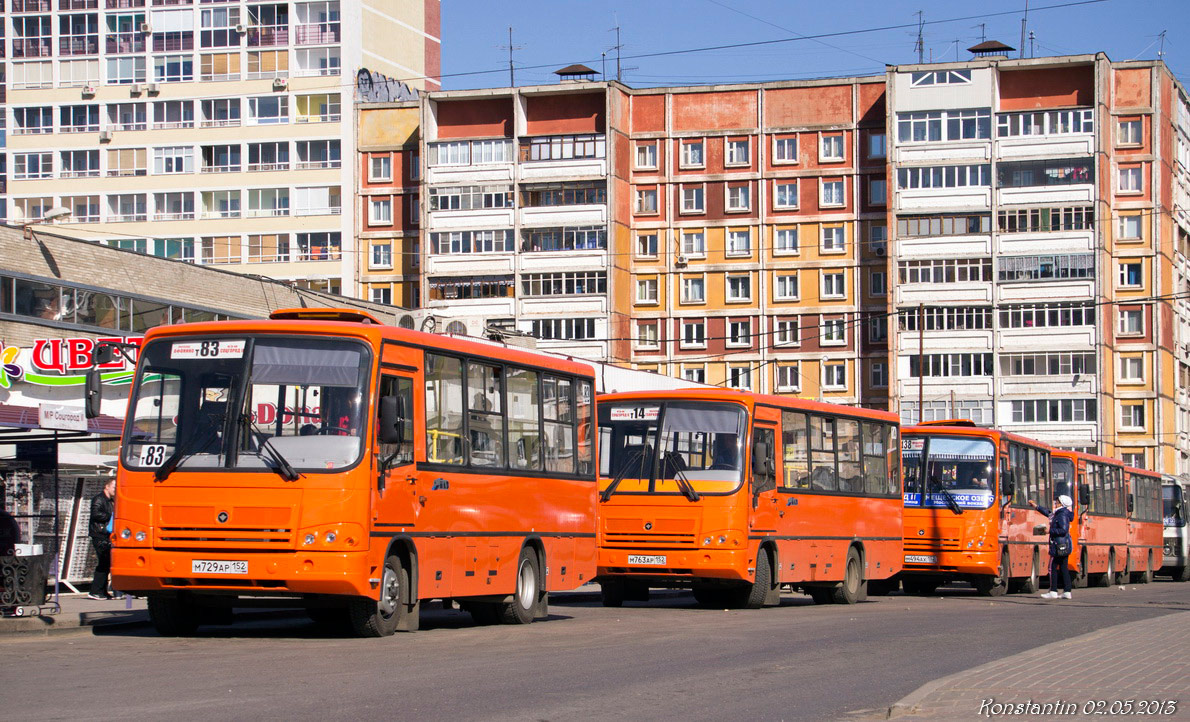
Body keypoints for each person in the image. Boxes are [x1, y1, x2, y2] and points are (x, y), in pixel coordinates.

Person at [1030, 494, 1074, 599]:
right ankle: (1067, 591)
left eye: (1057, 501)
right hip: (1063, 544)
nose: (1055, 503)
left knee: (1052, 567)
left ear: (1062, 504)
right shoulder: (1060, 513)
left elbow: (1063, 530)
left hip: (1058, 544)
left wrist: (1049, 531)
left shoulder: (1061, 514)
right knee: (1063, 568)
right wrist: (1036, 506)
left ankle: (1053, 590)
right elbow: (1048, 513)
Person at [88, 478, 116, 600]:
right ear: (107, 487)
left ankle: (102, 591)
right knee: (103, 562)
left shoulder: (110, 501)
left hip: (105, 535)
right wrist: (111, 516)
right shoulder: (99, 499)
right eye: (114, 487)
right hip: (99, 534)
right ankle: (96, 590)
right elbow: (95, 514)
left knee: (107, 563)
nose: (116, 490)